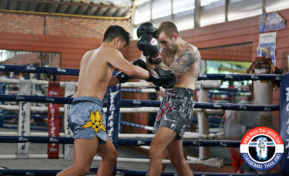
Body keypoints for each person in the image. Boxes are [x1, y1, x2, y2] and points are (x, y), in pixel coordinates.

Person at [57, 25, 176, 176]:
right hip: (89, 112)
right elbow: (132, 70)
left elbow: (103, 83)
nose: (120, 52)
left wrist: (120, 78)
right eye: (122, 47)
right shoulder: (110, 51)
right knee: (81, 168)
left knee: (110, 156)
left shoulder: (88, 55)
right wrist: (154, 75)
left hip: (80, 108)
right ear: (117, 40)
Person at [136, 21, 201, 176]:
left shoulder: (190, 52)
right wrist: (148, 51)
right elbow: (153, 72)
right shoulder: (164, 50)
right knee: (177, 160)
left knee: (155, 150)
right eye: (159, 43)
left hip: (181, 102)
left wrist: (155, 56)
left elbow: (171, 76)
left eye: (164, 42)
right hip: (166, 102)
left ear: (175, 36)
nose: (162, 46)